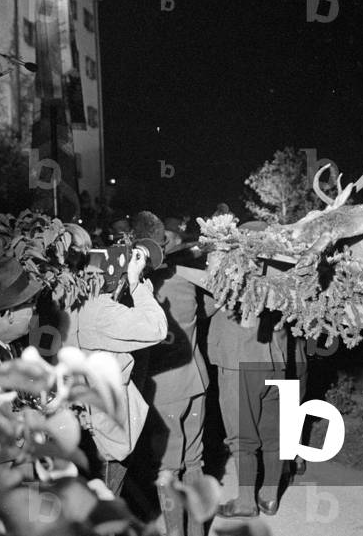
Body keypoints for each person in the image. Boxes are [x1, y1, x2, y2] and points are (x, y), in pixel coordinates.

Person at [206, 222, 306, 518]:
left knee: (241, 437)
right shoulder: (283, 273)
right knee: (275, 434)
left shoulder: (234, 271)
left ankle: (247, 502)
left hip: (240, 362)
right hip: (276, 360)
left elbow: (211, 303)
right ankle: (270, 496)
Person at [64, 231, 168, 496]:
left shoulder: (63, 301)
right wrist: (135, 283)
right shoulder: (100, 311)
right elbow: (157, 328)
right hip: (104, 429)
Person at [132, 212, 209, 536]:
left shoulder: (135, 287)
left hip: (163, 389)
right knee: (195, 461)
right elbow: (215, 303)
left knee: (167, 468)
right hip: (196, 379)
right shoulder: (184, 275)